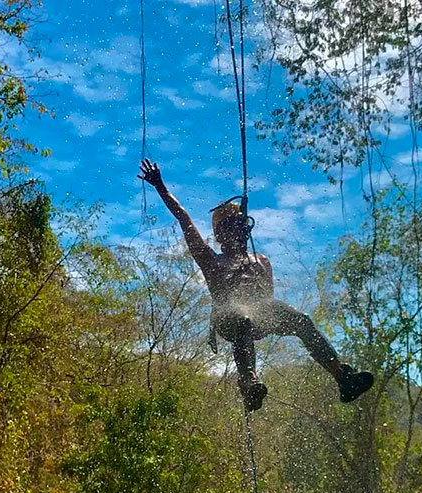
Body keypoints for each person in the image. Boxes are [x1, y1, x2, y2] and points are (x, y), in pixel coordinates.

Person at [138, 159, 374, 411]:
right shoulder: (210, 261)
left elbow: (268, 300)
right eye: (231, 227)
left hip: (259, 316)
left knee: (302, 320)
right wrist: (160, 186)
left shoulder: (261, 261)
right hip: (229, 320)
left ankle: (342, 377)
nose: (238, 231)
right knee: (242, 317)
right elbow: (184, 219)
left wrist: (275, 314)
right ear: (219, 235)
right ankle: (249, 382)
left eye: (241, 226)